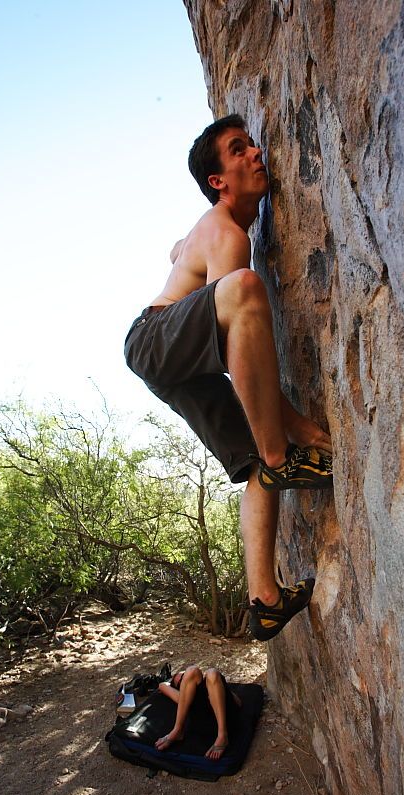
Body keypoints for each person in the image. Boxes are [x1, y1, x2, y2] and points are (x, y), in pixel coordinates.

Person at [124, 114, 333, 641]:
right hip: (153, 340)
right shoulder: (227, 233)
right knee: (242, 287)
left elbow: (177, 251)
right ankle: (282, 458)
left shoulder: (212, 230)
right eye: (239, 149)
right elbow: (231, 336)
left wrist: (183, 251)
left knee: (251, 464)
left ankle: (264, 598)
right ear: (218, 180)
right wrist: (295, 429)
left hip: (174, 367)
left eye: (252, 143)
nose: (256, 153)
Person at [155, 665, 242, 760]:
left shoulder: (211, 682)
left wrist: (214, 684)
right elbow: (162, 686)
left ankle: (222, 736)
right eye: (181, 682)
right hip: (209, 721)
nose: (183, 677)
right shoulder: (184, 699)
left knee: (208, 672)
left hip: (227, 713)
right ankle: (178, 730)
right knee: (199, 672)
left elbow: (238, 702)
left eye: (183, 676)